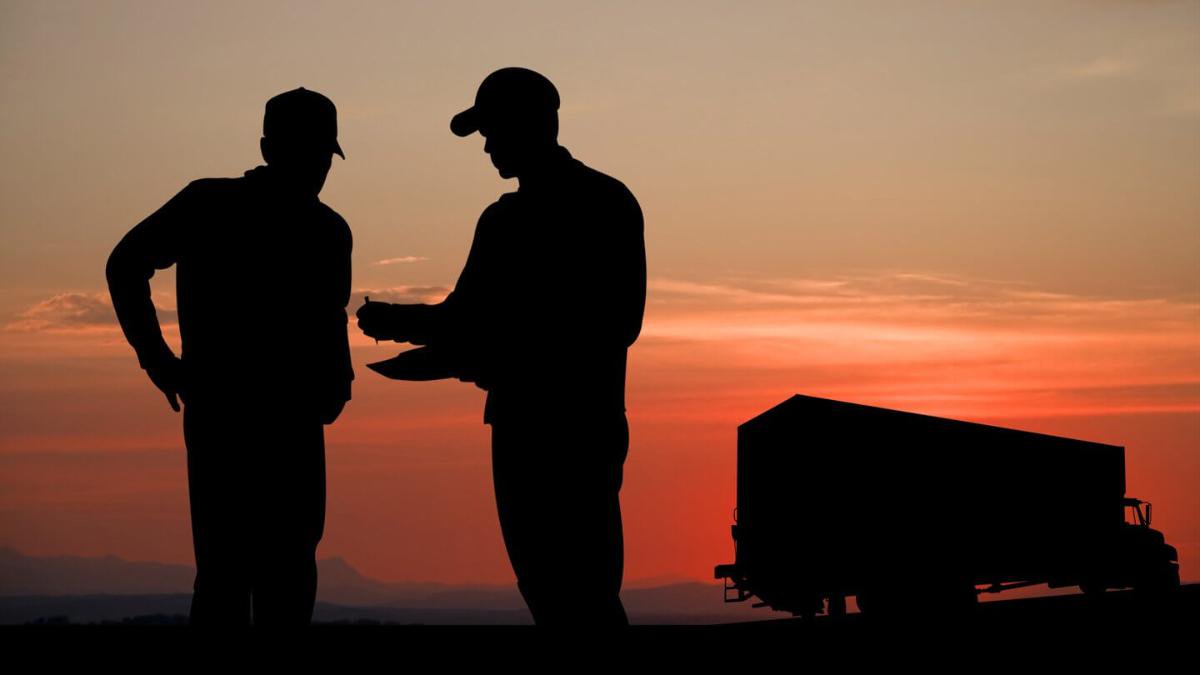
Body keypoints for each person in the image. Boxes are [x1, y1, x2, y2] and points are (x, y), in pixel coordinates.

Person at [357, 67, 646, 625]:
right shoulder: (506, 219)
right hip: (526, 422)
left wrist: (461, 341)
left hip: (574, 424)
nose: (487, 146)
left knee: (583, 585)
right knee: (544, 583)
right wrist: (402, 323)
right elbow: (465, 319)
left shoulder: (601, 203)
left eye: (494, 131)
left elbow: (615, 323)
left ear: (535, 125)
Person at [105, 87, 354, 626]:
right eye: (307, 153)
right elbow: (124, 264)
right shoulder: (209, 204)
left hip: (292, 425)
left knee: (287, 569)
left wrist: (338, 383)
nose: (316, 169)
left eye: (322, 157)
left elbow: (329, 321)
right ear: (268, 149)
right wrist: (156, 359)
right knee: (226, 572)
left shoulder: (329, 230)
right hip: (229, 422)